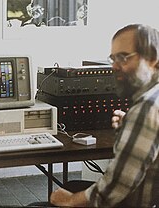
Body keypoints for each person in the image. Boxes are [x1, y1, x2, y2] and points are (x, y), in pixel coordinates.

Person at [49, 24, 159, 207]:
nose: (115, 66)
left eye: (123, 58)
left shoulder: (146, 108)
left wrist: (70, 200)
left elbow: (116, 186)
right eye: (113, 58)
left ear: (153, 59)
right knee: (72, 184)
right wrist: (130, 125)